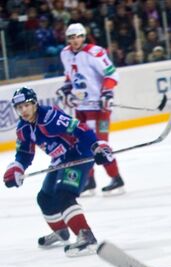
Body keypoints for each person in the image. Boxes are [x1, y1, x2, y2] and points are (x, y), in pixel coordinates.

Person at [3, 87, 114, 257]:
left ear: (34, 104)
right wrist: (17, 167)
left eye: (26, 105)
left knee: (64, 194)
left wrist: (97, 146)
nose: (23, 110)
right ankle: (62, 231)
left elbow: (80, 128)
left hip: (78, 153)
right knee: (45, 198)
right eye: (19, 107)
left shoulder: (49, 117)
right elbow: (24, 154)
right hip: (60, 160)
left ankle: (86, 237)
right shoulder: (23, 128)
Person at [57, 22, 125, 196]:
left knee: (99, 144)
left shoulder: (95, 52)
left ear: (83, 36)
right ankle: (89, 180)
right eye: (71, 37)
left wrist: (107, 93)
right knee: (80, 143)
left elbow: (112, 74)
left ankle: (116, 178)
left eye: (78, 36)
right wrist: (66, 88)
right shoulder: (65, 54)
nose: (75, 40)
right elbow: (70, 76)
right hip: (81, 107)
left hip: (99, 107)